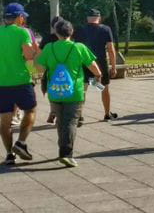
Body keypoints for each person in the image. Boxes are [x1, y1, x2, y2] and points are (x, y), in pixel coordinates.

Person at [35, 19, 102, 167]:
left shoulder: (49, 47)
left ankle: (62, 148)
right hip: (75, 92)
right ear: (71, 32)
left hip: (55, 91)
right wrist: (98, 76)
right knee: (71, 121)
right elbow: (92, 65)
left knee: (60, 120)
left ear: (56, 32)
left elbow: (39, 68)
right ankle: (66, 153)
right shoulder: (79, 47)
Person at [0, 3, 38, 166]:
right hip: (21, 80)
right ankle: (21, 143)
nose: (23, 20)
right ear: (18, 17)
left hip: (2, 82)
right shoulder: (23, 32)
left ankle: (9, 154)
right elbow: (29, 55)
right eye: (23, 17)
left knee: (5, 120)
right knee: (30, 110)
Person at [74, 9, 117, 121]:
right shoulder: (105, 29)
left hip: (85, 63)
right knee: (104, 89)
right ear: (99, 18)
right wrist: (113, 66)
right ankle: (107, 114)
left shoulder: (80, 30)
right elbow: (111, 49)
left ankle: (79, 115)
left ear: (87, 18)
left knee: (83, 89)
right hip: (101, 64)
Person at [39, 16, 63, 125]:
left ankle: (53, 112)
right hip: (65, 69)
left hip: (51, 69)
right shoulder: (67, 37)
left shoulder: (47, 38)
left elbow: (40, 54)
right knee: (64, 91)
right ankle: (58, 114)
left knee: (53, 92)